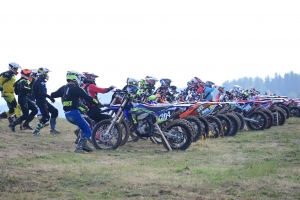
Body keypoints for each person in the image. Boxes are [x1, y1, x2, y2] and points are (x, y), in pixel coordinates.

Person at [51, 70, 97, 153]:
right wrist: (97, 102)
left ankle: (84, 145)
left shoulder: (63, 88)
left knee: (84, 126)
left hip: (67, 115)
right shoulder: (76, 88)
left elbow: (53, 94)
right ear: (75, 78)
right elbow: (87, 97)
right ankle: (79, 148)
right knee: (87, 129)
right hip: (74, 113)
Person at [32, 67, 60, 136]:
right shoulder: (39, 81)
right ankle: (36, 131)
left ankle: (53, 129)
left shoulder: (40, 81)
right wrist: (50, 97)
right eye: (46, 73)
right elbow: (41, 92)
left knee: (55, 111)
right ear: (42, 73)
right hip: (41, 101)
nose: (47, 75)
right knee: (46, 117)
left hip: (43, 100)